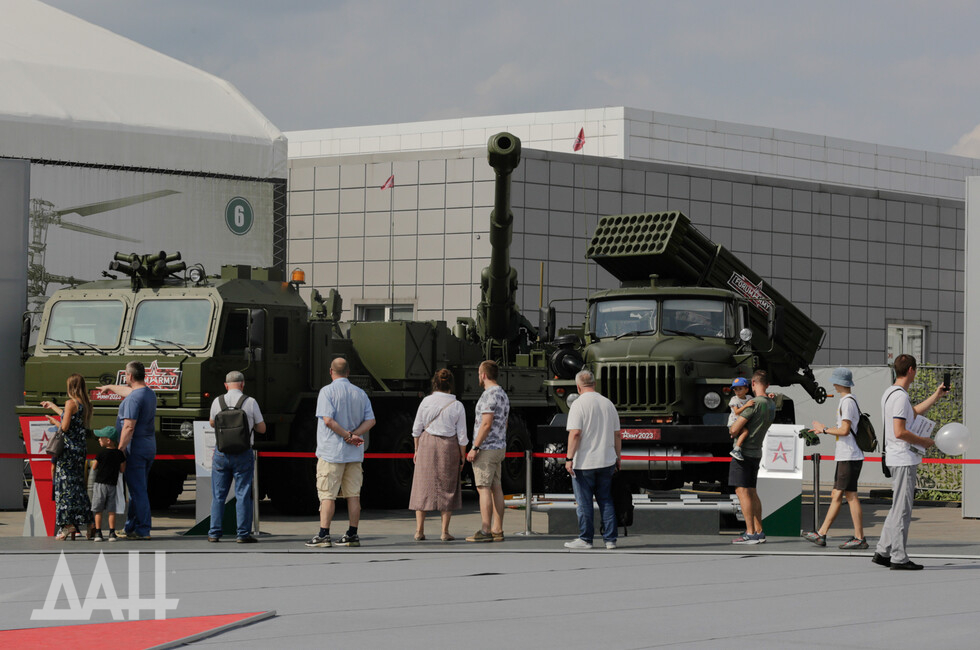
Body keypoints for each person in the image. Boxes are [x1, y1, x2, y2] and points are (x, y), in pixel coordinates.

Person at [873, 354, 948, 570]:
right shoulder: (900, 397)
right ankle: (898, 557)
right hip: (903, 458)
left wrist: (936, 396)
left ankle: (883, 550)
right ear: (911, 370)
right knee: (903, 509)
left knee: (898, 507)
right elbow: (900, 431)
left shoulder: (890, 393)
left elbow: (910, 414)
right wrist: (924, 441)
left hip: (896, 457)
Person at [306, 357, 375, 549]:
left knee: (327, 495)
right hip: (354, 453)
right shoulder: (360, 393)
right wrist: (355, 435)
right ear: (348, 372)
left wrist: (346, 435)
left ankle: (323, 535)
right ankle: (352, 534)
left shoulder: (326, 392)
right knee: (353, 495)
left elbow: (328, 420)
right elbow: (371, 421)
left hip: (331, 453)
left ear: (331, 371)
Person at [801, 367, 868, 549]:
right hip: (849, 455)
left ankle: (826, 534)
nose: (833, 384)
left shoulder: (846, 402)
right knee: (842, 494)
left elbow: (844, 430)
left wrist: (823, 429)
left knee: (844, 495)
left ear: (839, 383)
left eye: (834, 381)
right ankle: (827, 534)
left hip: (849, 455)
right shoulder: (849, 400)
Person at [563, 369, 623, 550]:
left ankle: (586, 539)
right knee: (606, 500)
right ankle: (610, 539)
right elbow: (618, 435)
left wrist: (568, 458)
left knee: (584, 502)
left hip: (584, 462)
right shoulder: (608, 404)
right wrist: (618, 457)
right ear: (594, 384)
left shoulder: (578, 405)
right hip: (606, 460)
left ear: (578, 386)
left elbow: (575, 434)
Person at [98, 360, 157, 540]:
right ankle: (130, 526)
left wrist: (120, 450)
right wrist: (109, 387)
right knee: (137, 488)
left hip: (134, 448)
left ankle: (143, 529)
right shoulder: (148, 393)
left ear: (129, 376)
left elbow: (129, 427)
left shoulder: (133, 399)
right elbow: (128, 391)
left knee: (138, 491)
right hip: (148, 446)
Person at [409, 369, 468, 542]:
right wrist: (462, 456)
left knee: (422, 486)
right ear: (451, 384)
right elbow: (462, 436)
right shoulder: (457, 405)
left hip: (426, 443)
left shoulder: (426, 401)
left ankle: (419, 530)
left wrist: (417, 450)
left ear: (435, 382)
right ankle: (444, 531)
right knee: (447, 487)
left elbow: (416, 429)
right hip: (448, 445)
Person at [208, 371, 266, 544]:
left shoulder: (217, 401)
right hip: (243, 453)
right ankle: (242, 534)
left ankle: (214, 533)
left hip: (221, 453)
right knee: (243, 494)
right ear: (242, 384)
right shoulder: (250, 402)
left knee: (218, 495)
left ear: (226, 385)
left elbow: (212, 422)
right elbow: (262, 428)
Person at [41, 373, 95, 540]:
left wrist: (54, 422)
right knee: (78, 487)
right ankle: (89, 523)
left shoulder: (70, 402)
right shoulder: (86, 404)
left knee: (63, 487)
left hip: (68, 451)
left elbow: (64, 427)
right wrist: (53, 407)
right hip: (80, 450)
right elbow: (69, 415)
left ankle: (67, 525)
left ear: (71, 387)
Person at [728, 369, 776, 545]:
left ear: (753, 384)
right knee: (752, 491)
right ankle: (758, 530)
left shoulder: (754, 403)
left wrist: (733, 429)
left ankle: (750, 533)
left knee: (742, 491)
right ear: (767, 384)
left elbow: (734, 429)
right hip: (757, 451)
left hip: (743, 453)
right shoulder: (770, 404)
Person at [465, 360, 509, 543]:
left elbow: (486, 423)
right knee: (496, 487)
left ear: (483, 375)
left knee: (483, 488)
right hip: (499, 446)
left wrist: (475, 447)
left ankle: (485, 530)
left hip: (487, 448)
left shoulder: (488, 395)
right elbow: (504, 422)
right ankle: (497, 529)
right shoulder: (503, 394)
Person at [90, 426, 126, 542]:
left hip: (100, 484)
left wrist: (93, 463)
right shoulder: (119, 454)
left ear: (108, 440)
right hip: (112, 484)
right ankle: (111, 533)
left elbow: (94, 467)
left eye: (101, 438)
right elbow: (122, 469)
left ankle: (99, 533)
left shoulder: (101, 453)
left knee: (98, 509)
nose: (99, 439)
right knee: (111, 510)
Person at [728, 377, 752, 460]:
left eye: (740, 389)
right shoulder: (734, 399)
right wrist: (746, 405)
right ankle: (736, 450)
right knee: (745, 432)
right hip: (734, 423)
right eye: (735, 389)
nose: (737, 391)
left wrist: (769, 396)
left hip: (742, 423)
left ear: (746, 390)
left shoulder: (749, 398)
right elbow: (736, 412)